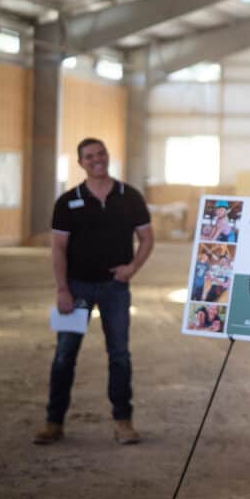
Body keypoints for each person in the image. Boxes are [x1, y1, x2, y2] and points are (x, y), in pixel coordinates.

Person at [34, 138, 155, 446]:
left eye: (101, 154)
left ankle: (123, 422)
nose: (97, 160)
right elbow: (58, 249)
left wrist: (132, 268)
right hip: (76, 289)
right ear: (81, 163)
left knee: (119, 356)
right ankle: (53, 422)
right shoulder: (67, 202)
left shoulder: (130, 197)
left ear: (107, 157)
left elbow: (147, 239)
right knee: (64, 355)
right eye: (89, 156)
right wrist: (62, 289)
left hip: (116, 289)